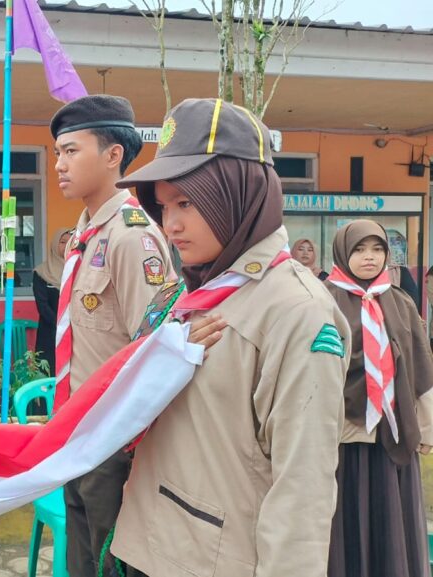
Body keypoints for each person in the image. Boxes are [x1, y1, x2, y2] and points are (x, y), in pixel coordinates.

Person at [109, 98, 350, 576]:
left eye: (186, 202)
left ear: (236, 193)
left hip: (215, 559)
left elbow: (302, 487)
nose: (170, 225)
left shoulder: (296, 311)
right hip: (149, 542)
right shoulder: (190, 290)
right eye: (163, 206)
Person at [49, 94, 175, 577]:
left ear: (113, 155)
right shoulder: (84, 235)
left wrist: (131, 447)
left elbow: (154, 348)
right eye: (57, 153)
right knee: (82, 558)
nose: (59, 165)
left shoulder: (132, 237)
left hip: (114, 438)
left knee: (112, 562)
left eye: (71, 151)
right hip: (76, 428)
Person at [324, 220, 433, 577]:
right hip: (343, 433)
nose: (369, 257)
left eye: (377, 249)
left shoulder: (400, 301)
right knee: (345, 516)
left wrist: (427, 426)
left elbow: (421, 365)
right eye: (359, 249)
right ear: (343, 252)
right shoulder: (323, 300)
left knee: (390, 517)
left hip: (392, 432)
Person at [32, 227, 72, 374]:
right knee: (49, 371)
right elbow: (42, 305)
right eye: (62, 242)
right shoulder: (42, 272)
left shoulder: (77, 268)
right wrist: (61, 324)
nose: (66, 246)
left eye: (69, 242)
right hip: (50, 331)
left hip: (74, 330)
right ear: (55, 244)